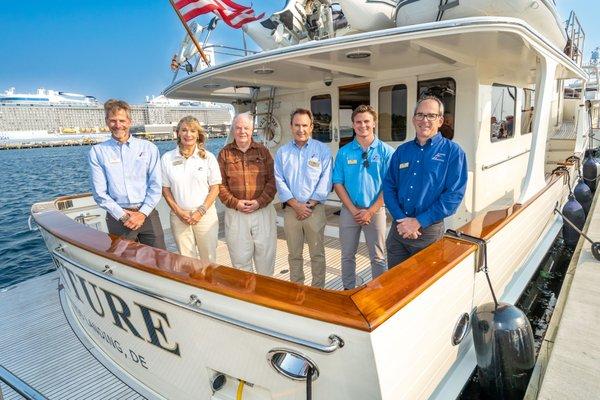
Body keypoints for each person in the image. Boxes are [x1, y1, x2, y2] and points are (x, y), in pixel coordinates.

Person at [383, 96, 468, 267]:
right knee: (395, 284)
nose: (425, 120)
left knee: (424, 288)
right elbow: (389, 186)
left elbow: (453, 196)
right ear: (414, 119)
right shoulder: (402, 151)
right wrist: (401, 219)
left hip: (428, 233)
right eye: (420, 115)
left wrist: (418, 222)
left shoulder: (453, 152)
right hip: (398, 230)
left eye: (431, 116)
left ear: (440, 120)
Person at [89, 99, 166, 249]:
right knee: (126, 262)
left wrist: (142, 214)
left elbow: (156, 185)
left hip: (147, 214)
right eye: (113, 121)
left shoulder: (149, 148)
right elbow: (99, 192)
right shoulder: (97, 152)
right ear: (106, 122)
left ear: (129, 121)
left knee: (160, 260)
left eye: (122, 120)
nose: (118, 125)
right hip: (118, 217)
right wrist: (123, 216)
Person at [332, 105, 394, 289]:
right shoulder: (344, 152)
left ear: (374, 123)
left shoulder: (386, 152)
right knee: (347, 254)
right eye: (358, 122)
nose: (362, 125)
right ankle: (348, 290)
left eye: (366, 121)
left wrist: (371, 211)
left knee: (378, 256)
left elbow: (390, 185)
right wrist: (353, 210)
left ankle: (378, 292)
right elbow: (337, 182)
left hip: (375, 211)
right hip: (350, 211)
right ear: (353, 125)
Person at [275, 108, 332, 288]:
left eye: (305, 125)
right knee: (294, 254)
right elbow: (279, 179)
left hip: (314, 210)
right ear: (291, 127)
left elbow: (326, 179)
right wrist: (295, 205)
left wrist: (309, 204)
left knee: (317, 254)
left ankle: (318, 290)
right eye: (297, 125)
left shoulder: (322, 150)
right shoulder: (282, 152)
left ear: (312, 127)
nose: (301, 129)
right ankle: (297, 289)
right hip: (292, 211)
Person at [217, 113, 277, 275]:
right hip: (236, 213)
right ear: (233, 130)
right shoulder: (224, 154)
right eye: (238, 128)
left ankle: (264, 295)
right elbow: (219, 185)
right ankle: (247, 295)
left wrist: (260, 201)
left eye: (246, 128)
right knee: (240, 259)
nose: (242, 131)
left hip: (262, 211)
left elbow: (273, 181)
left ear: (252, 130)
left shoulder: (263, 152)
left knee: (266, 257)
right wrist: (235, 203)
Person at [161, 116, 222, 261]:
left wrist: (200, 211)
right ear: (178, 133)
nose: (188, 134)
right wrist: (179, 212)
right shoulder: (167, 158)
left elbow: (215, 188)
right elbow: (165, 189)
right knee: (187, 260)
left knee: (209, 258)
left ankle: (208, 284)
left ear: (198, 134)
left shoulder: (208, 157)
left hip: (205, 215)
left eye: (193, 131)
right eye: (184, 130)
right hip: (179, 216)